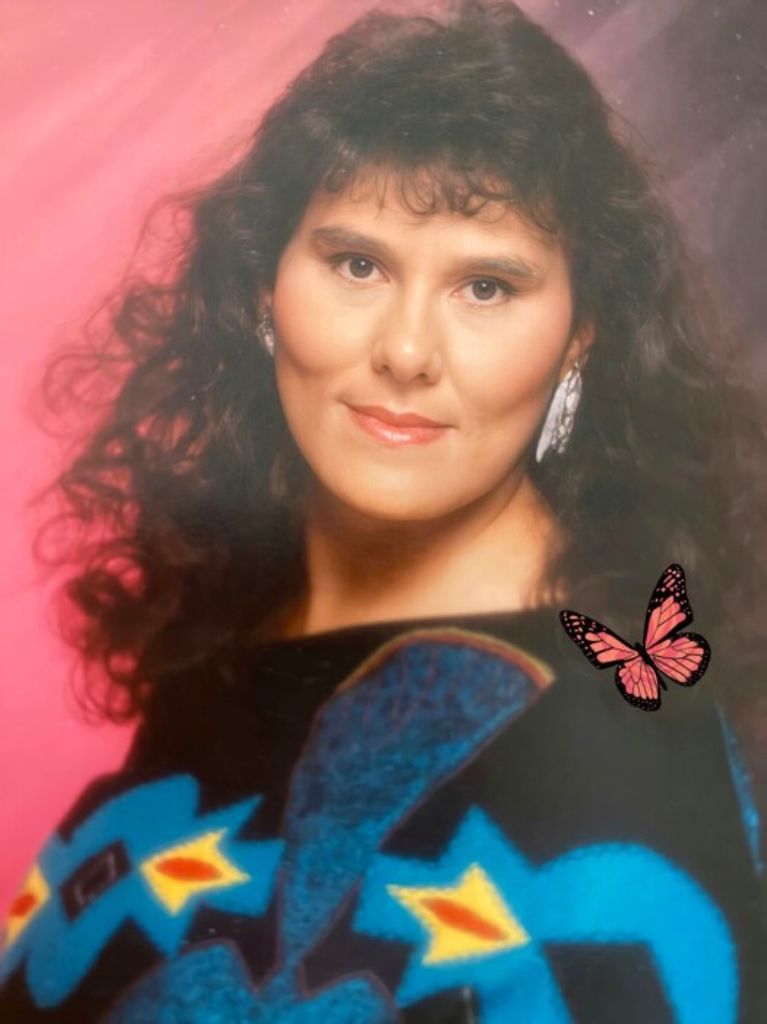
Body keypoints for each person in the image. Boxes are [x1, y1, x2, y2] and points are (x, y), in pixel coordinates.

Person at [2, 1, 766, 1020]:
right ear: (264, 287)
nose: (406, 351)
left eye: (485, 287)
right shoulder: (230, 639)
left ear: (579, 334)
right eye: (356, 264)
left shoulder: (625, 761)